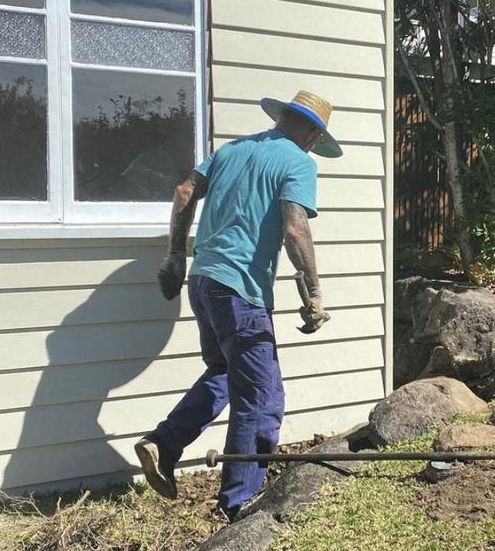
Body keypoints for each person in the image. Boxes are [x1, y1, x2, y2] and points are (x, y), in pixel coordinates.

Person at [134, 90, 342, 520]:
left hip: (204, 281)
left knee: (225, 372)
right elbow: (295, 228)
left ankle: (165, 443)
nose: (312, 147)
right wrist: (314, 293)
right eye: (316, 139)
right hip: (241, 293)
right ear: (310, 131)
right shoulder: (298, 162)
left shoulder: (232, 150)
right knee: (262, 398)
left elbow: (184, 190)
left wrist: (176, 253)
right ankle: (239, 504)